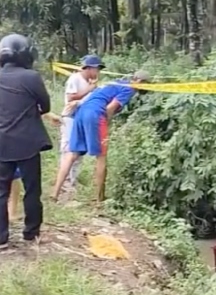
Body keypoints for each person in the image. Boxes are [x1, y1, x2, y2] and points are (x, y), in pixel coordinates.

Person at [51, 70, 150, 203]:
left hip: (81, 113)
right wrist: (107, 125)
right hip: (96, 114)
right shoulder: (129, 88)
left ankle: (55, 193)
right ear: (139, 81)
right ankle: (99, 198)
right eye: (146, 84)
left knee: (72, 154)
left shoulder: (117, 82)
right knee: (101, 157)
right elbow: (109, 108)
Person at [0, 33, 53, 250]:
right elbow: (46, 106)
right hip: (27, 143)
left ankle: (1, 238)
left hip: (1, 143)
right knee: (32, 189)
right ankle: (31, 233)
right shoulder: (31, 77)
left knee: (1, 191)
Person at [60, 54, 103, 192]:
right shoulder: (75, 78)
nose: (98, 72)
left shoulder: (90, 82)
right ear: (89, 68)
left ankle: (72, 180)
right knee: (68, 149)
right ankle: (65, 182)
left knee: (78, 150)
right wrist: (90, 89)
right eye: (97, 69)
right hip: (71, 117)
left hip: (81, 118)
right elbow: (71, 97)